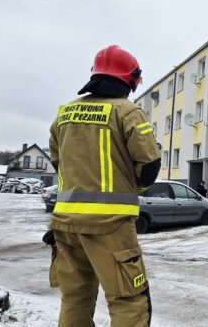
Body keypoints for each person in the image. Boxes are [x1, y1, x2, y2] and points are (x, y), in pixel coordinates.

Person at [46, 45, 161, 327]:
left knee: (75, 298)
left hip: (65, 225)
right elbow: (149, 165)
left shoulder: (65, 113)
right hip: (110, 227)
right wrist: (133, 190)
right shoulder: (128, 112)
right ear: (130, 79)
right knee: (128, 299)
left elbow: (58, 162)